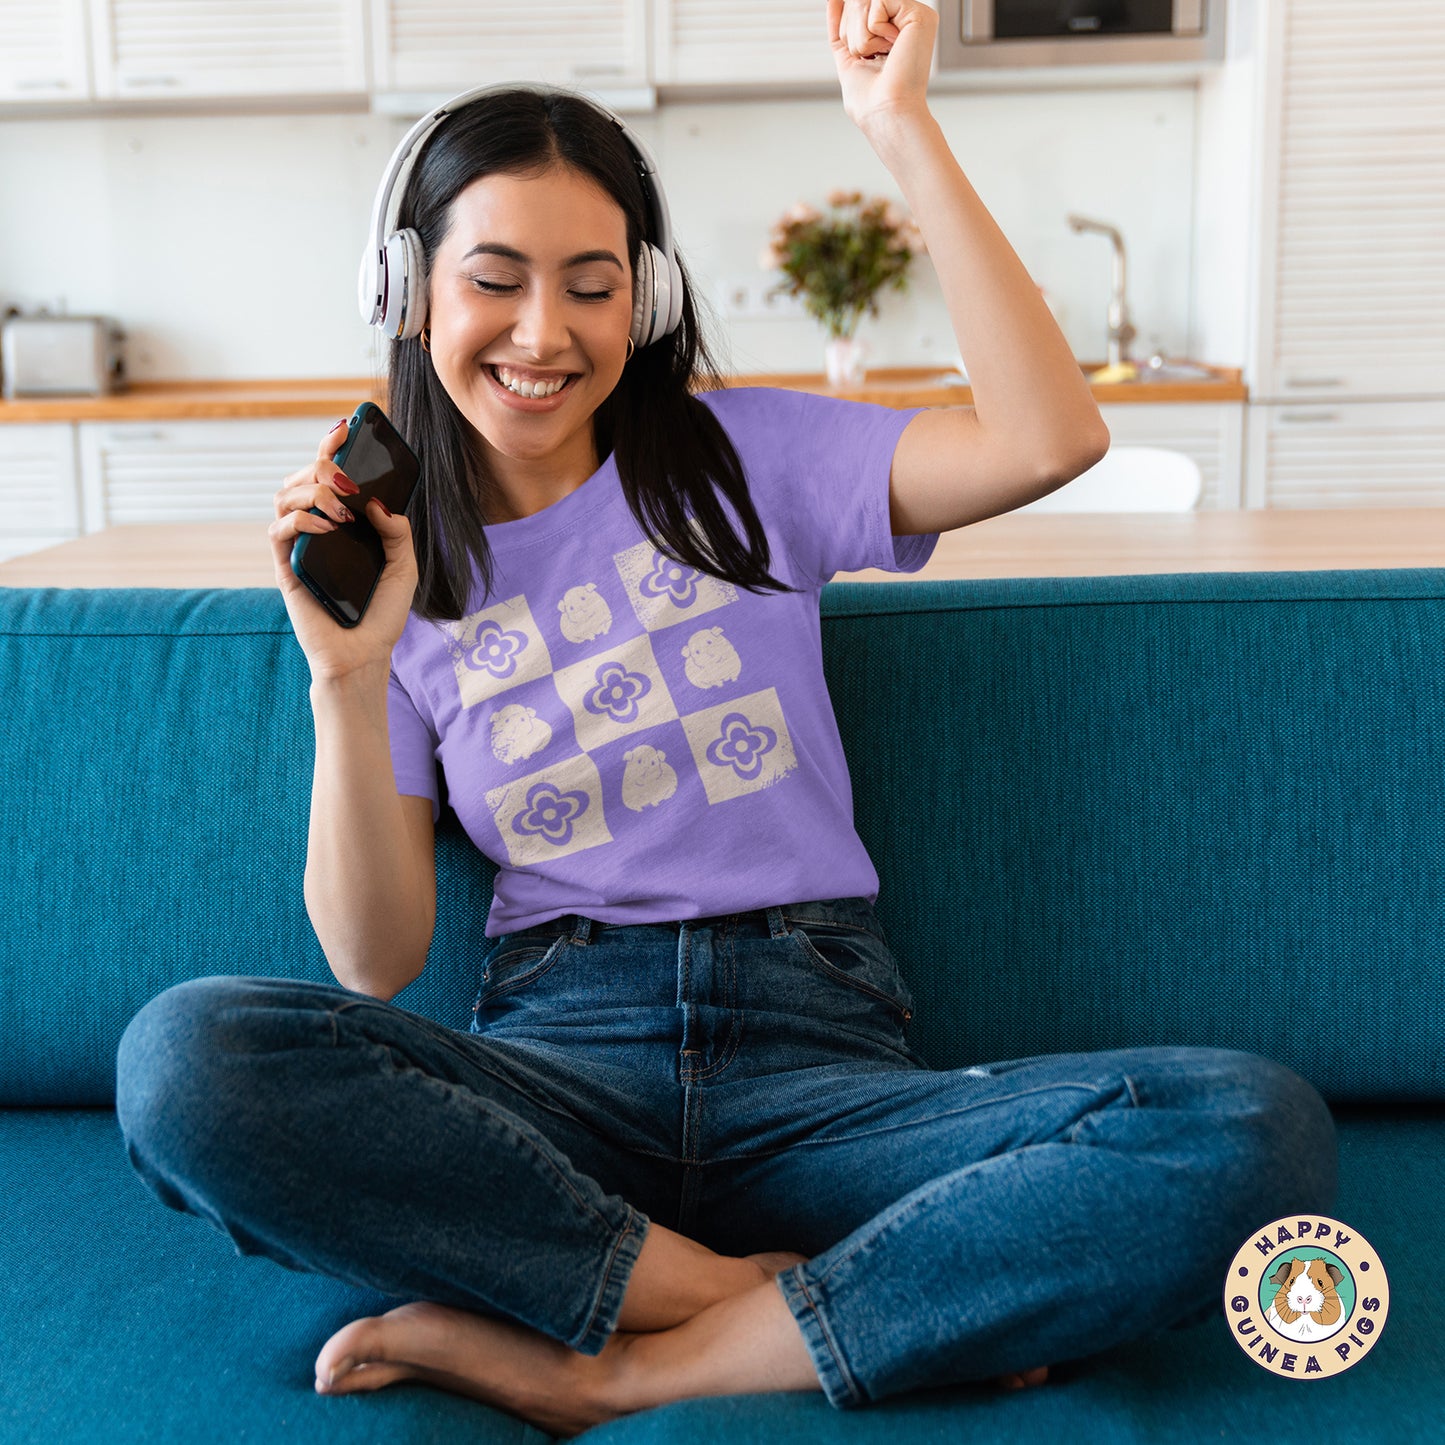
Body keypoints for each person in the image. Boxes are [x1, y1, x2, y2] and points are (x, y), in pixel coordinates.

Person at [114, 0, 1339, 1435]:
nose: (543, 332)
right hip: (562, 1082)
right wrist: (347, 673)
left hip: (822, 1074)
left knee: (1249, 1129)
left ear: (640, 300)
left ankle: (625, 1363)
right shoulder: (396, 565)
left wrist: (898, 126)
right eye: (495, 281)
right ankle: (759, 1297)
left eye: (591, 286)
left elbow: (1046, 437)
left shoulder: (742, 458)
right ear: (407, 293)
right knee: (186, 1058)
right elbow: (373, 961)